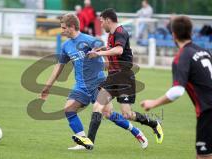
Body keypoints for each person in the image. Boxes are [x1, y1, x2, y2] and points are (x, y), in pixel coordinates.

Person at [40, 13, 147, 151]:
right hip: (80, 86)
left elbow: (107, 52)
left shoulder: (90, 40)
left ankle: (136, 132)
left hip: (98, 84)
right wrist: (48, 86)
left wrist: (109, 67)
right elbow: (58, 67)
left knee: (108, 114)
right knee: (69, 109)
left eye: (64, 28)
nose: (62, 31)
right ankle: (83, 141)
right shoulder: (66, 46)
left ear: (72, 27)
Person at [72, 8, 163, 150]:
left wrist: (98, 54)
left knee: (127, 114)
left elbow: (119, 50)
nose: (101, 25)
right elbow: (111, 48)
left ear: (108, 20)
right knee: (98, 106)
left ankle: (153, 123)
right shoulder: (111, 35)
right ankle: (89, 142)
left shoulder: (121, 32)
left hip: (125, 77)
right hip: (113, 77)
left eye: (101, 22)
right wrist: (99, 50)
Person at [141, 16, 212, 159]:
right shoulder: (204, 51)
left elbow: (177, 91)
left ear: (173, 35)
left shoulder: (182, 57)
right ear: (191, 33)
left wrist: (153, 103)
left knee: (203, 156)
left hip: (208, 112)